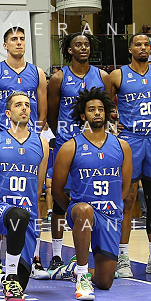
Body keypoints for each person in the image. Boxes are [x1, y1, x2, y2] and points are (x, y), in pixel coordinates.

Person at [51, 88, 132, 301]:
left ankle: (72, 269)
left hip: (110, 215)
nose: (97, 113)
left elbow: (125, 187)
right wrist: (74, 211)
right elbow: (57, 190)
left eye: (100, 109)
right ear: (82, 115)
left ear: (106, 113)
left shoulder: (122, 146)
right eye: (91, 109)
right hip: (82, 212)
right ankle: (82, 275)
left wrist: (113, 205)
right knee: (85, 210)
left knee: (105, 282)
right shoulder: (70, 147)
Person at [109, 32, 151, 279]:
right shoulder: (118, 75)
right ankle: (122, 258)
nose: (143, 47)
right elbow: (104, 103)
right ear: (130, 49)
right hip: (131, 141)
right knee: (126, 200)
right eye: (138, 44)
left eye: (147, 44)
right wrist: (113, 122)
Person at [42, 32, 107, 274]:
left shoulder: (102, 76)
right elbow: (52, 114)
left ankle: (97, 254)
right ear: (69, 50)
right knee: (60, 199)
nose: (83, 48)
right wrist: (65, 136)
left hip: (95, 147)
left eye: (86, 44)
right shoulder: (59, 78)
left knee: (94, 200)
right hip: (67, 144)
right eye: (78, 45)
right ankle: (57, 255)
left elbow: (107, 108)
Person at [0, 92, 49, 301]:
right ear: (7, 113)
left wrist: (35, 221)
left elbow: (38, 189)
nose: (24, 108)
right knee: (18, 215)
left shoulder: (42, 144)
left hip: (27, 213)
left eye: (27, 105)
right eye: (18, 105)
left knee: (23, 280)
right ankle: (10, 278)